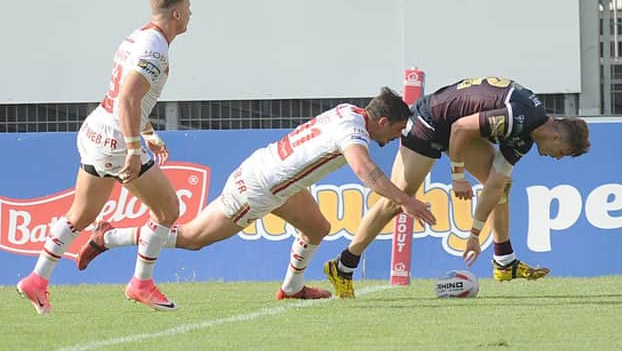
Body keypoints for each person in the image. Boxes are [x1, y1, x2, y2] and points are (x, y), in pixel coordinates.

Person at [76, 88, 434, 300]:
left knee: (317, 228)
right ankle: (110, 236)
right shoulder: (354, 134)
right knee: (192, 238)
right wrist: (407, 201)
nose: (392, 141)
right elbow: (366, 172)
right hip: (258, 187)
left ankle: (292, 288)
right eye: (396, 131)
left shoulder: (350, 112)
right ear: (382, 122)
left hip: (278, 180)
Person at [324, 76, 590, 298]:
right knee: (397, 200)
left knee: (500, 185)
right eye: (561, 152)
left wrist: (474, 234)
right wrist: (457, 175)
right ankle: (343, 266)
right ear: (556, 136)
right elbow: (461, 128)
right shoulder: (516, 118)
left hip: (454, 126)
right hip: (429, 122)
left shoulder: (524, 138)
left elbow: (495, 186)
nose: (556, 158)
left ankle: (504, 261)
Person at [16, 0, 192, 314]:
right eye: (189, 9)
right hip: (114, 140)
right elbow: (128, 98)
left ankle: (37, 279)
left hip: (96, 128)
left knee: (80, 216)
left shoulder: (137, 36)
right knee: (168, 210)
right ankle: (141, 283)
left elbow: (127, 99)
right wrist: (132, 148)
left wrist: (148, 132)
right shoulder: (155, 49)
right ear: (176, 13)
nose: (191, 15)